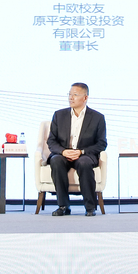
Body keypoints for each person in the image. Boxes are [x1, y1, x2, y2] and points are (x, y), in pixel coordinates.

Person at [46, 83, 107, 216]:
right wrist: (63, 151)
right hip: (63, 153)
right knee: (56, 161)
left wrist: (81, 152)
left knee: (84, 163)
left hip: (85, 154)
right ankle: (63, 206)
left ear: (85, 98)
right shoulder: (59, 115)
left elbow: (101, 144)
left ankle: (90, 207)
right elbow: (51, 141)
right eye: (69, 94)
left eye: (75, 95)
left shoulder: (97, 117)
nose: (71, 98)